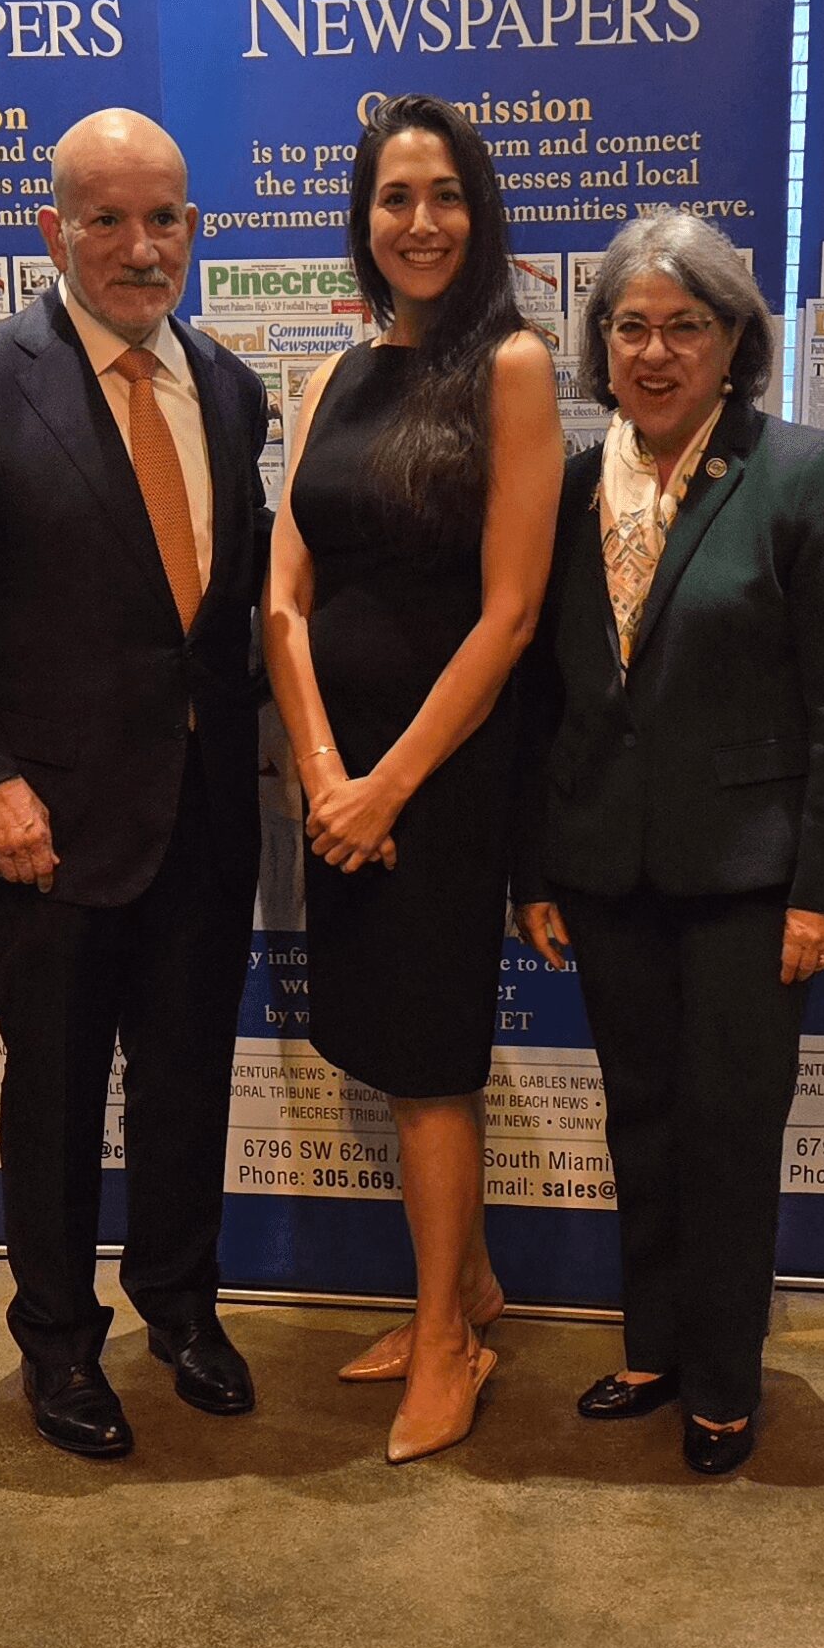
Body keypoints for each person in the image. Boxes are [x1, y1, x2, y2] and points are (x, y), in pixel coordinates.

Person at [0, 109, 272, 1460]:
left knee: (188, 1082)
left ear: (192, 229)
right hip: (44, 825)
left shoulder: (228, 387)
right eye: (106, 218)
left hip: (205, 814)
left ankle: (180, 1306)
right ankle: (57, 1341)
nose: (138, 246)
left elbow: (224, 615)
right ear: (54, 231)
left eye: (162, 217)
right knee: (52, 1096)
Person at [513, 215, 824, 1476]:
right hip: (604, 872)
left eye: (686, 326)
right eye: (630, 327)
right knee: (642, 1116)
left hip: (750, 880)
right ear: (600, 345)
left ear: (735, 341)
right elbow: (544, 696)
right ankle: (654, 1345)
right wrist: (535, 870)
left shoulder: (802, 472)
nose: (655, 352)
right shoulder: (571, 485)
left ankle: (723, 1380)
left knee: (729, 1130)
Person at [263, 93, 562, 1464]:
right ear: (363, 218)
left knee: (434, 1064)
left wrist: (387, 786)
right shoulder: (333, 377)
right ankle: (468, 1287)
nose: (420, 221)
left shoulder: (512, 367)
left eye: (444, 195)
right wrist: (326, 770)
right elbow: (284, 597)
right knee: (386, 1046)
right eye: (395, 196)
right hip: (337, 787)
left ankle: (446, 1342)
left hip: (440, 782)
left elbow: (509, 616)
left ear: (477, 212)